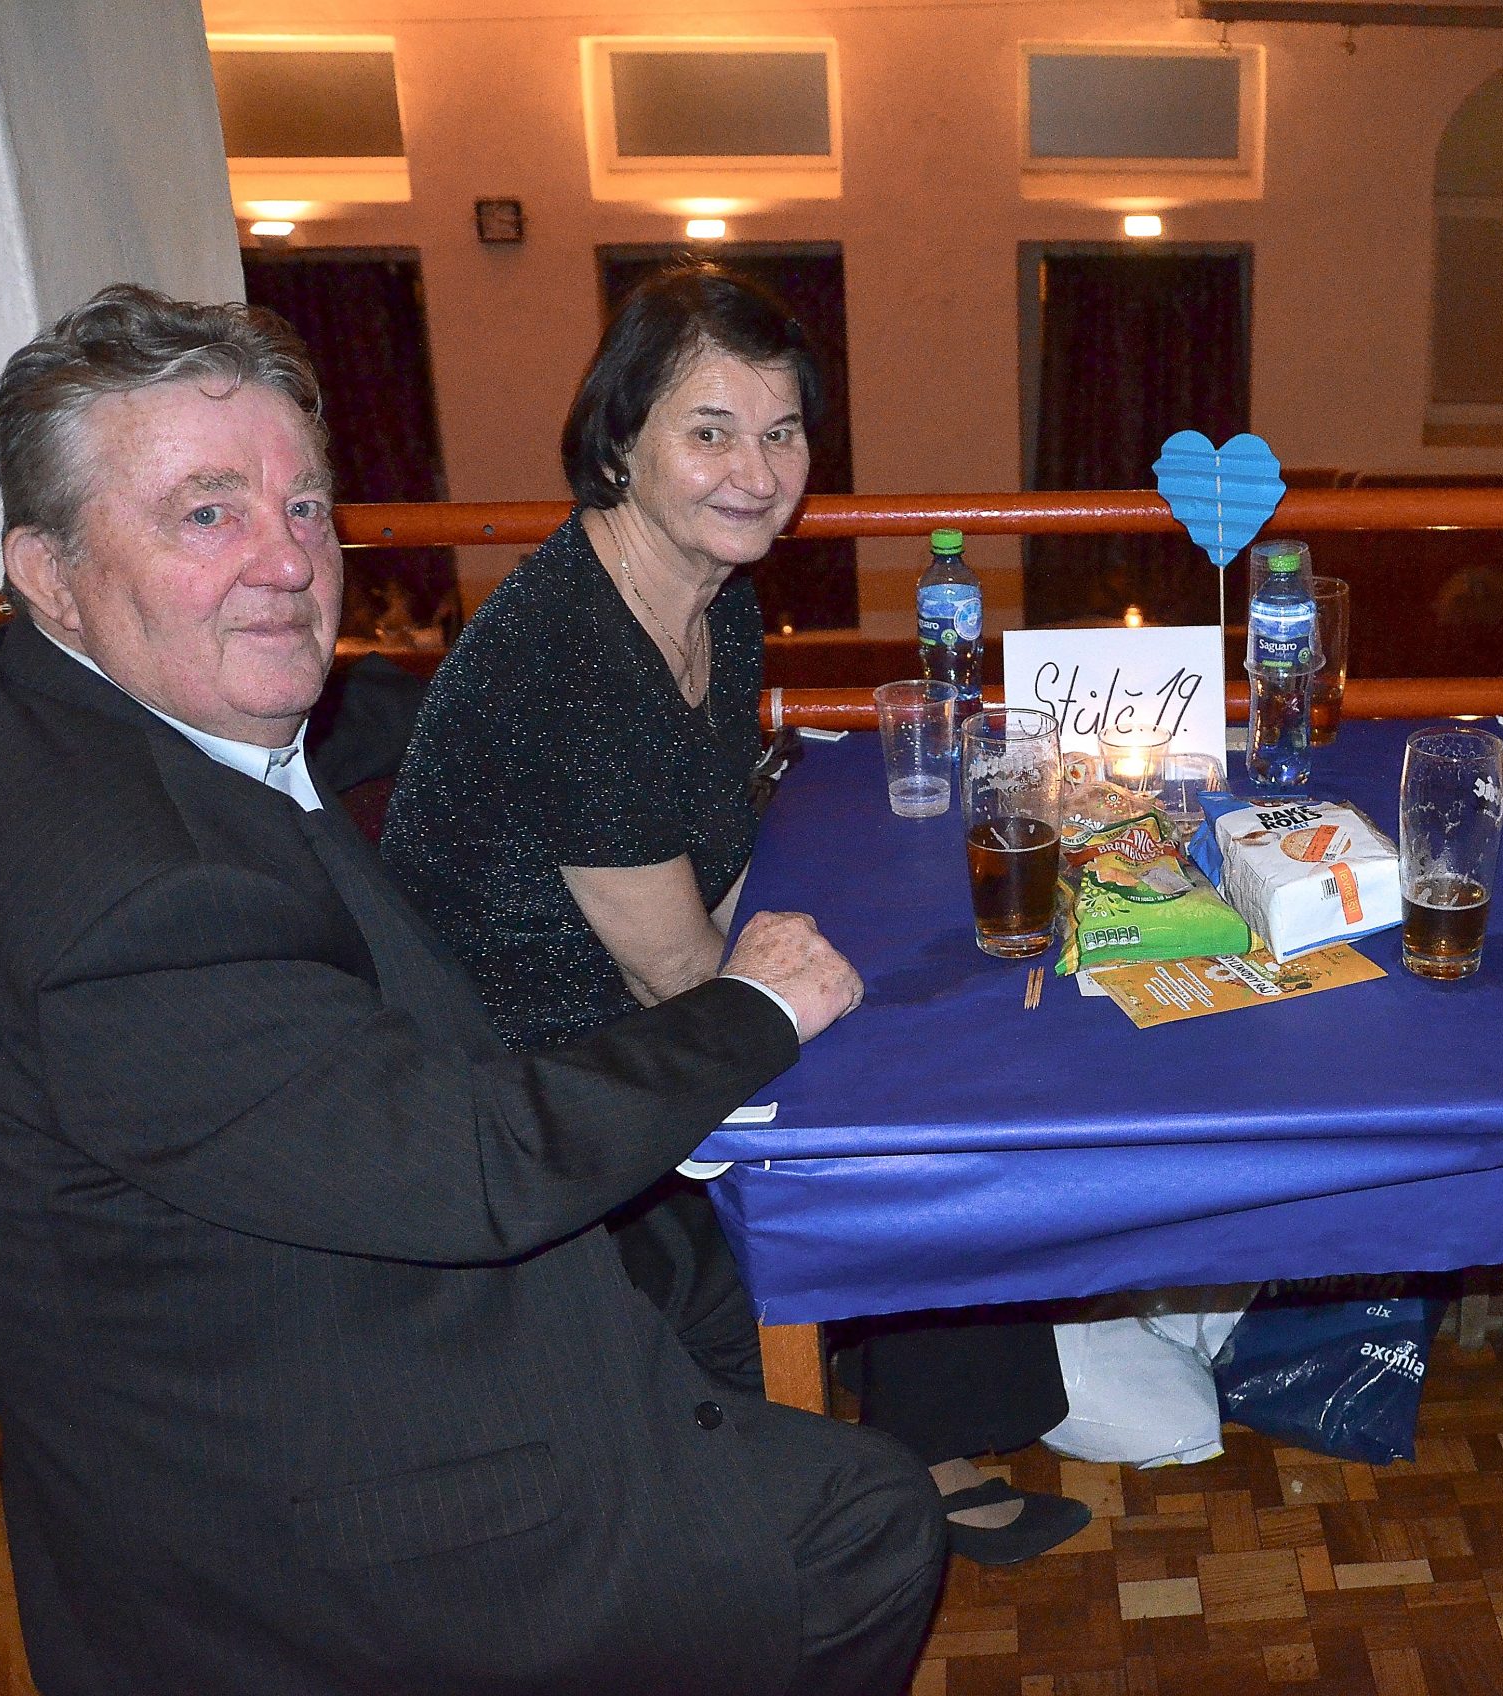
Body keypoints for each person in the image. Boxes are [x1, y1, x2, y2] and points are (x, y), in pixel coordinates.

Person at [0, 285, 945, 1693]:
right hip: (298, 1517)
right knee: (866, 1526)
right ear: (45, 571)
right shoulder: (130, 894)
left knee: (714, 1288)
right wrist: (758, 1007)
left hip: (307, 1283)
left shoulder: (87, 728)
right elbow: (474, 1170)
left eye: (305, 506)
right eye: (206, 514)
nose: (287, 561)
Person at [380, 261, 1087, 1564]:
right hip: (541, 1108)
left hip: (625, 1036)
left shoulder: (719, 603)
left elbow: (717, 868)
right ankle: (893, 1448)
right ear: (619, 443)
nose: (756, 473)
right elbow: (681, 985)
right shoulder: (574, 660)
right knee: (919, 1075)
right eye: (709, 432)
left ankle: (926, 1414)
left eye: (782, 431)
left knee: (936, 1002)